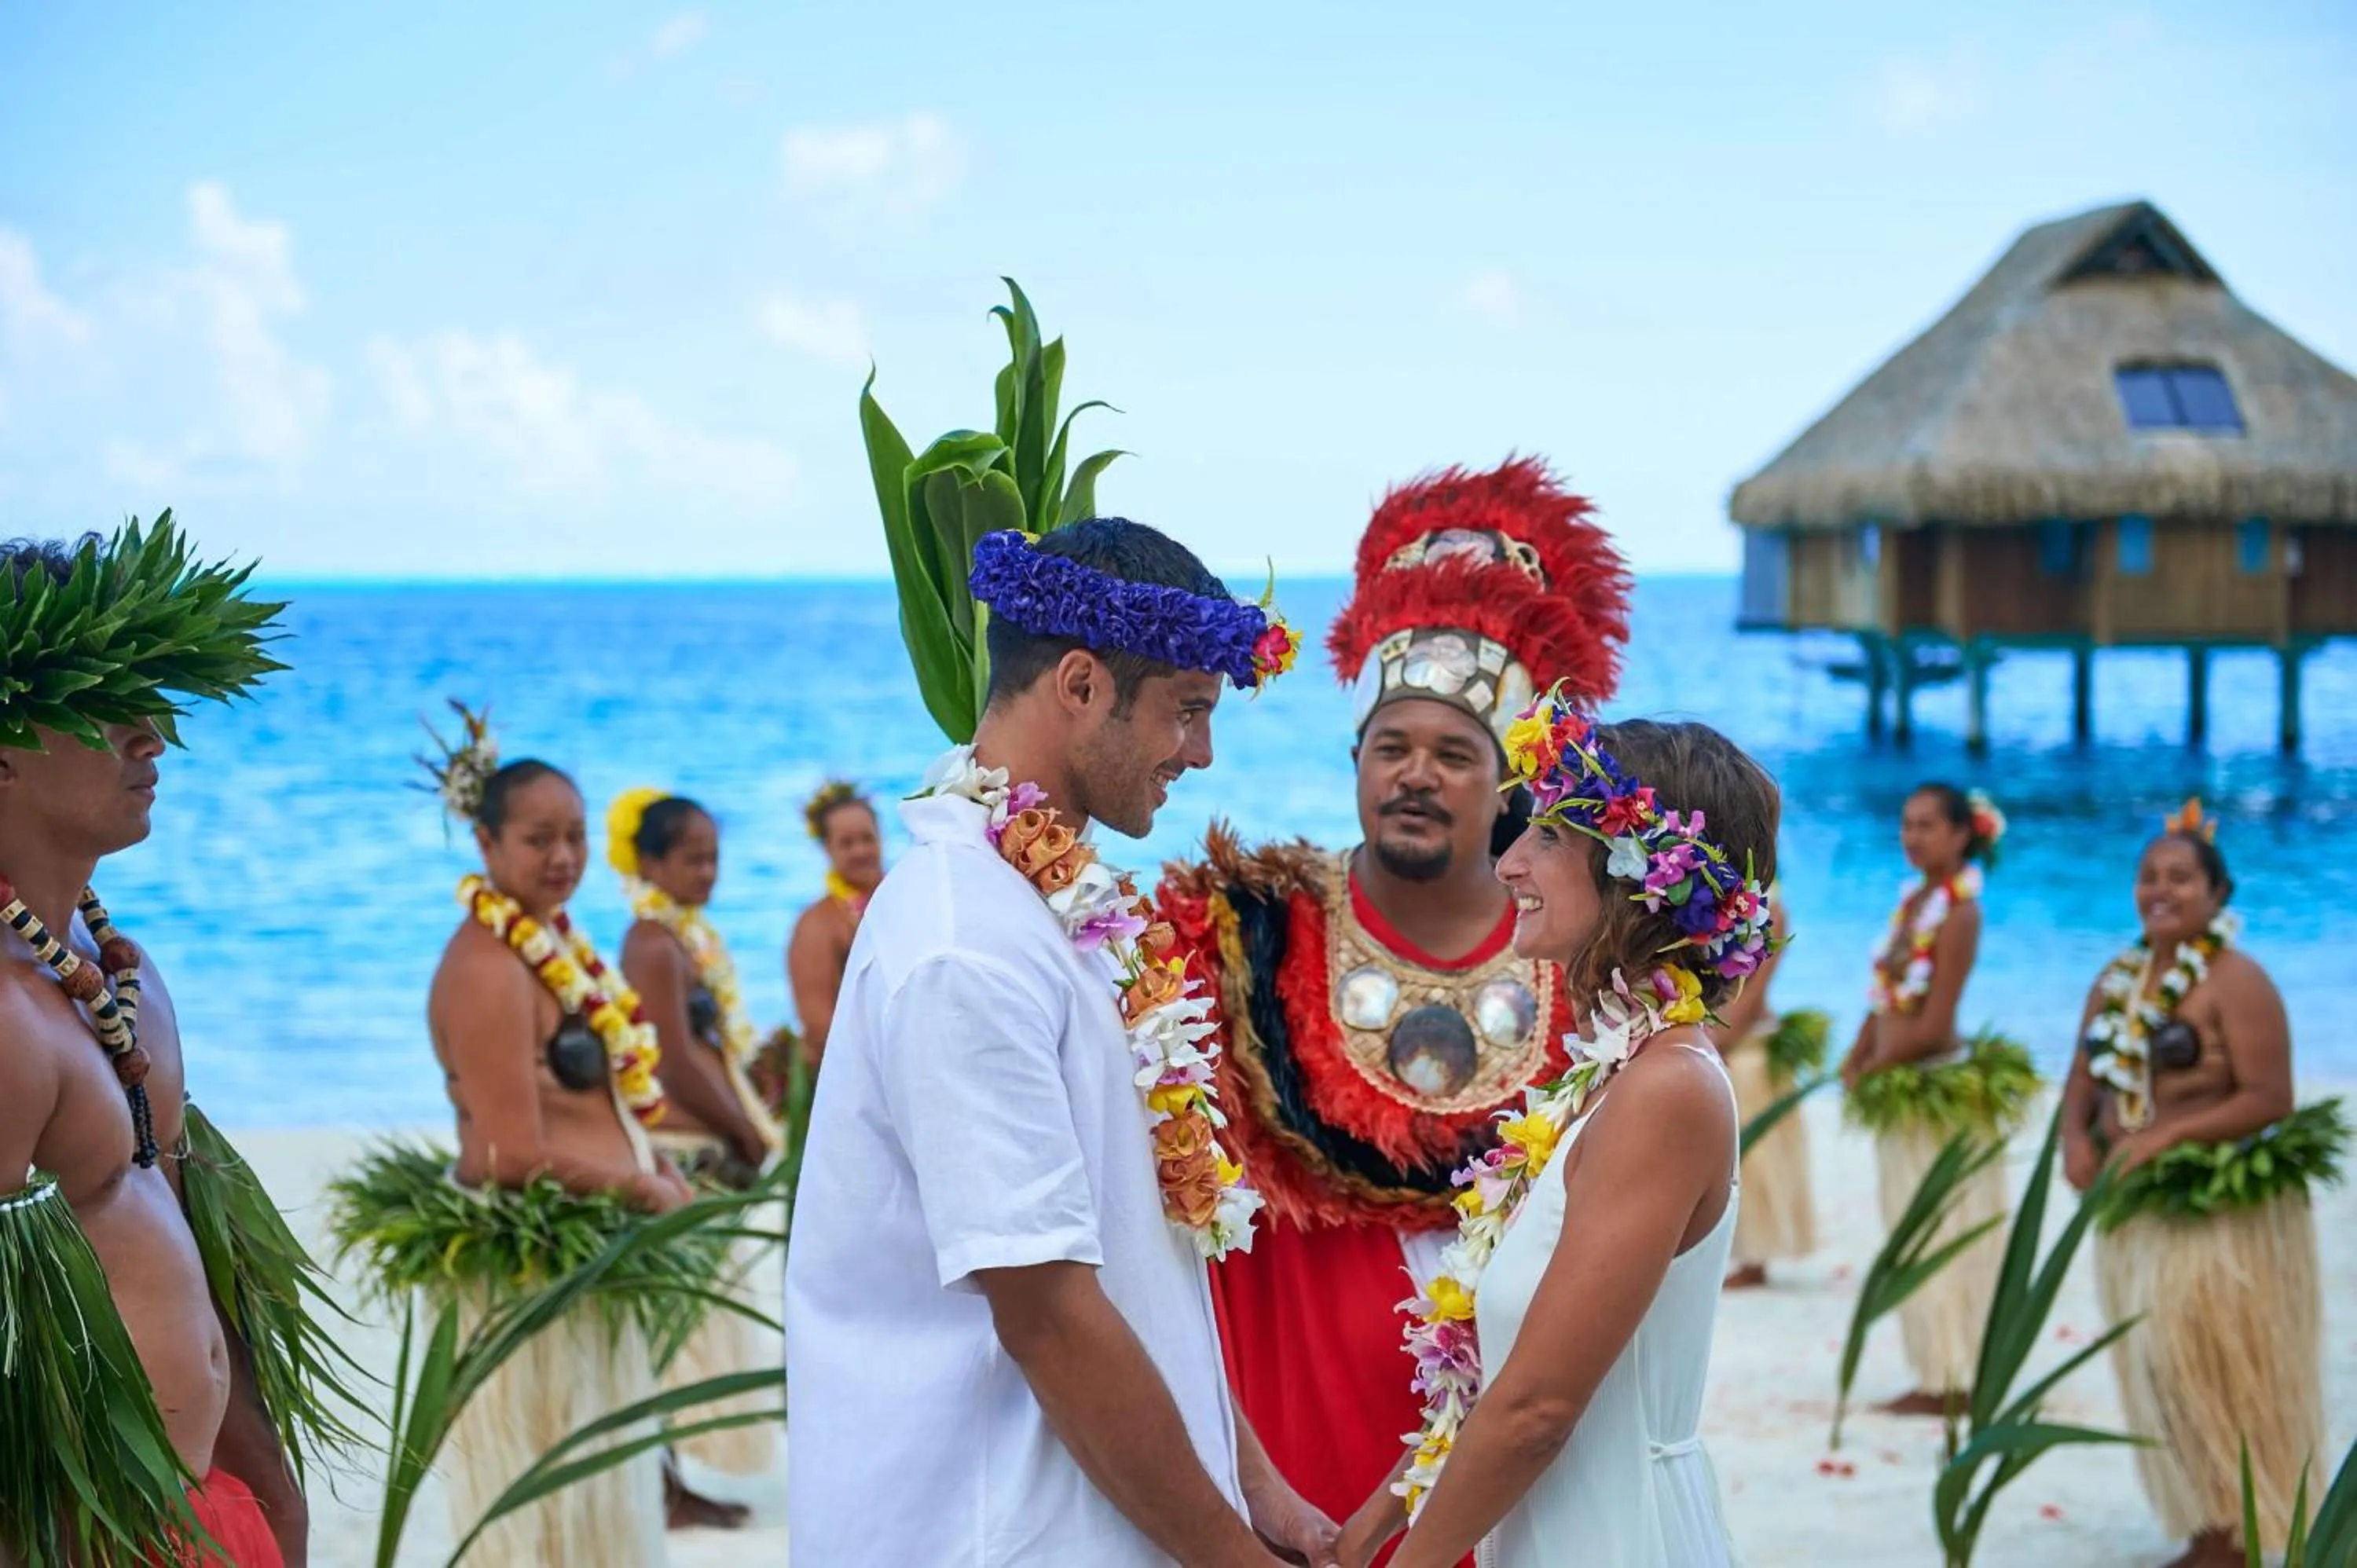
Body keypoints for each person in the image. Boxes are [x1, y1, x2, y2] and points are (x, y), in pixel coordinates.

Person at [786, 519, 1339, 1566]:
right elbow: (1047, 1317)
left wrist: (1256, 1488)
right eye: (1187, 711)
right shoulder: (965, 947)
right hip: (991, 1532)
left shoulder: (1053, 908)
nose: (1204, 754)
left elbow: (1136, 1265)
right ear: (1080, 685)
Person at [1156, 458, 1630, 1553]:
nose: (1416, 775)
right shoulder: (1235, 932)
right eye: (1392, 747)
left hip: (1510, 1453)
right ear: (1356, 760)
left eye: (1454, 755)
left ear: (1511, 786)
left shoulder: (1590, 972)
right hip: (1281, 1440)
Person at [1338, 700, 1778, 1568]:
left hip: (1616, 1535)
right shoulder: (1612, 1072)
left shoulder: (1667, 1090)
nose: (1507, 862)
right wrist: (1366, 1530)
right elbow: (1504, 1377)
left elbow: (1540, 1407)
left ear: (1633, 873)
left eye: (1545, 837)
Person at [0, 521, 354, 1566]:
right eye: (111, 708)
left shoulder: (127, 979)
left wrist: (272, 1496)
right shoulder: (6, 1020)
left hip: (203, 1507)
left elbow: (196, 1250)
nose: (154, 734)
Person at [346, 709, 694, 1566]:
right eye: (539, 838)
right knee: (548, 1515)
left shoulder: (552, 944)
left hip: (586, 1261)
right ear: (486, 842)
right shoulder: (488, 968)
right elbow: (502, 1155)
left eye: (575, 836)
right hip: (532, 1272)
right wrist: (641, 1186)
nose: (563, 857)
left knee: (605, 1505)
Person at [2065, 801, 2333, 1568]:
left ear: (2218, 894)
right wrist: (2074, 1141)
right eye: (2149, 876)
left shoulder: (2238, 982)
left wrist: (2165, 1137)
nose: (2161, 889)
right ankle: (2209, 1522)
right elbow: (2082, 1076)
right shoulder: (2116, 980)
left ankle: (2237, 1529)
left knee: (2214, 1356)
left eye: (2181, 877)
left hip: (2215, 1212)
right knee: (2159, 1361)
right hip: (2139, 1208)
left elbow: (2268, 1097)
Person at [609, 789, 782, 1525]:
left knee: (687, 1322)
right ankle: (665, 1485)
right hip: (680, 1146)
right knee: (669, 1323)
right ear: (650, 863)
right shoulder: (651, 943)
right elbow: (673, 1060)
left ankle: (672, 1483)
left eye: (714, 857)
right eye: (692, 858)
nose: (708, 871)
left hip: (705, 1142)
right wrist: (744, 1131)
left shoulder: (683, 937)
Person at [1838, 782, 2029, 1417]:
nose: (1912, 836)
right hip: (1899, 1077)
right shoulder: (1915, 901)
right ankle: (1936, 1369)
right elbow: (1886, 995)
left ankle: (1957, 1376)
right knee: (1911, 1226)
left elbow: (1935, 1014)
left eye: (1926, 825)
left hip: (1933, 1083)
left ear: (1961, 835)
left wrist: (1878, 1065)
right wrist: (1859, 1049)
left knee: (1946, 1229)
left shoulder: (1960, 912)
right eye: (1906, 823)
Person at [1710, 888, 1819, 1289]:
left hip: (1745, 1041)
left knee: (1754, 1158)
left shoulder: (1773, 909)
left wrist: (1721, 1042)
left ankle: (1755, 1259)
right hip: (1717, 1034)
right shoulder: (1712, 891)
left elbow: (1754, 990)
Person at [786, 780, 883, 1071]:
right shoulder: (816, 925)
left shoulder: (901, 897)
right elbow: (819, 1027)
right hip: (856, 1071)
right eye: (847, 843)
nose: (861, 851)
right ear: (827, 849)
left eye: (867, 839)